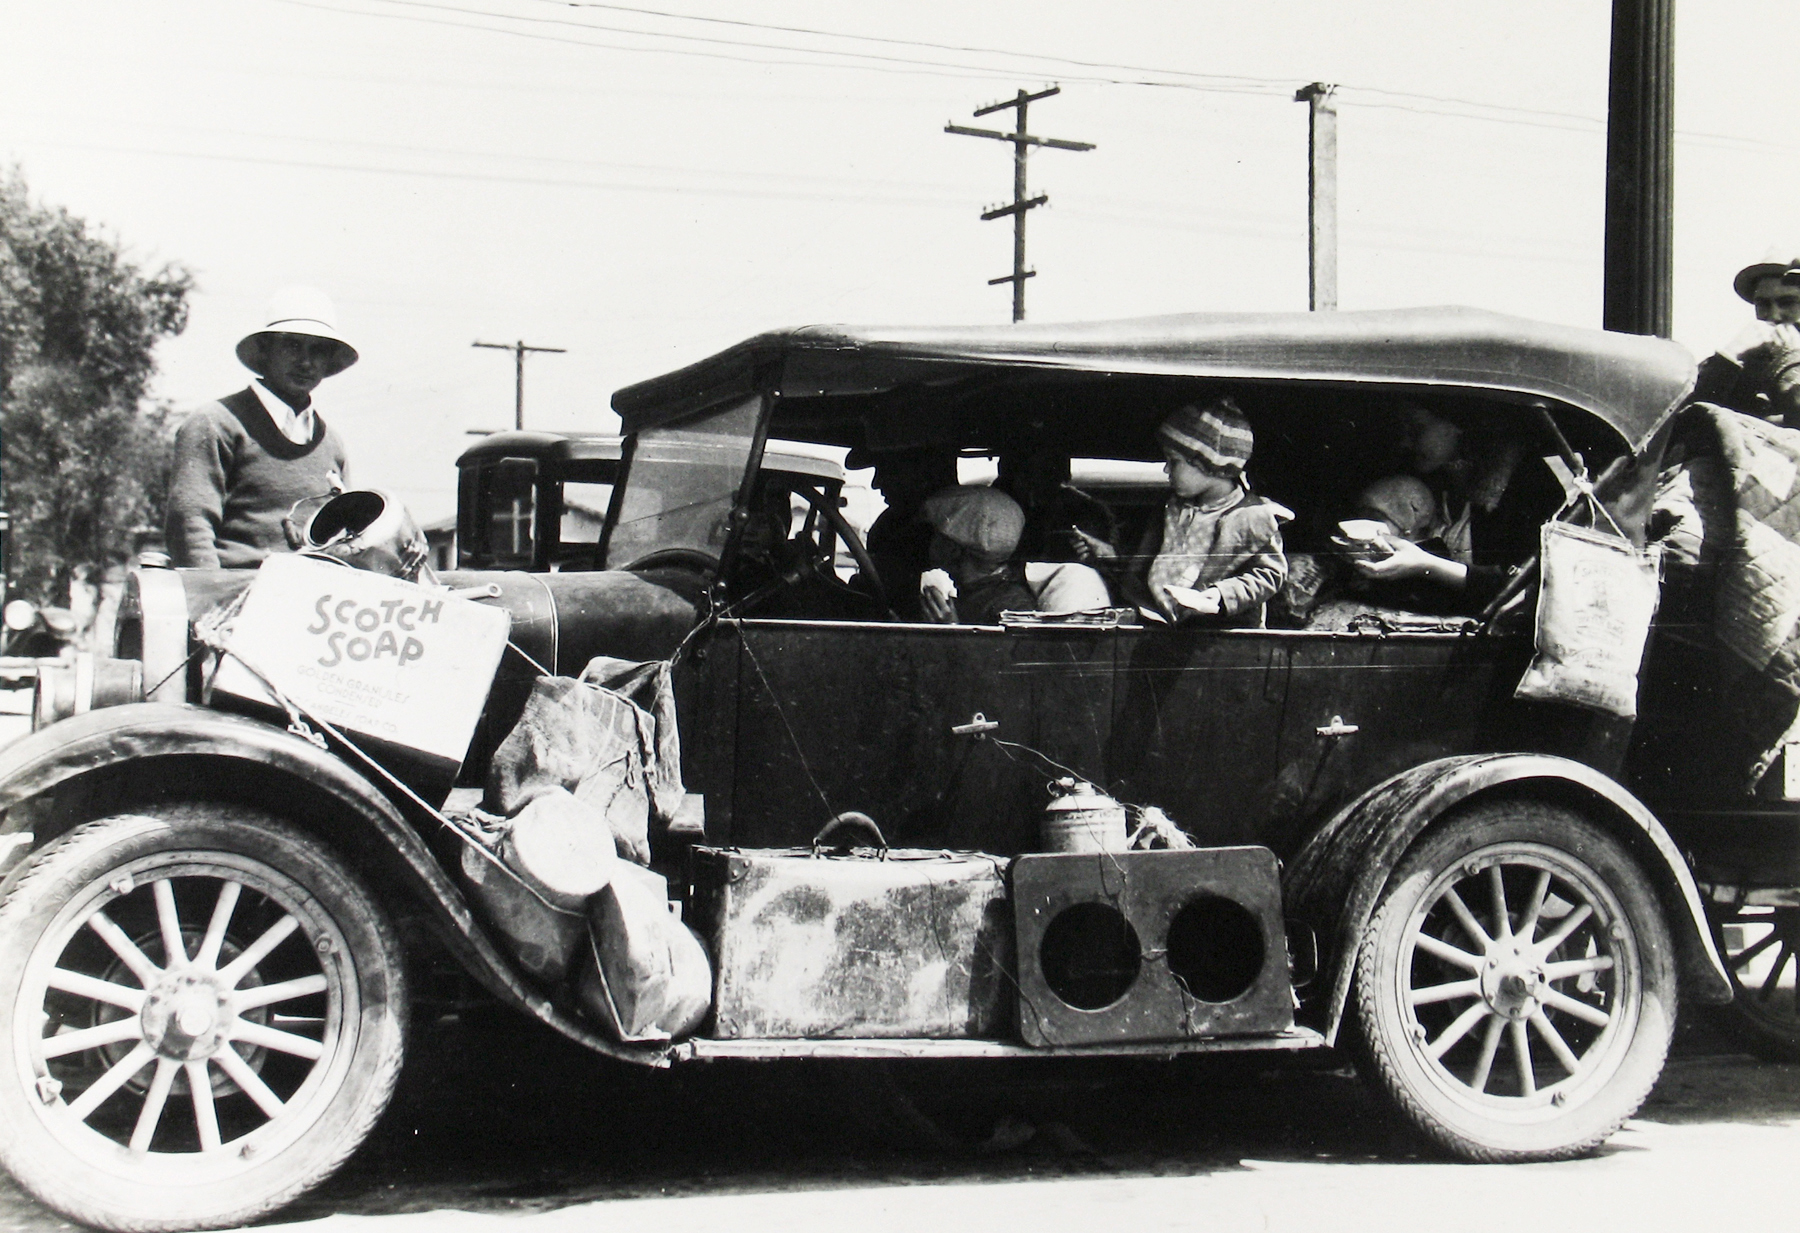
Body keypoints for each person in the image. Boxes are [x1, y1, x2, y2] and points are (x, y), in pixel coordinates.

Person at [165, 286, 357, 568]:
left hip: (314, 598)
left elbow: (344, 538)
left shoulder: (331, 443)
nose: (305, 361)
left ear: (329, 360)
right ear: (266, 351)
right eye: (292, 345)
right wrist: (210, 598)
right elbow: (190, 525)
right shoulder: (216, 422)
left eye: (317, 350)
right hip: (238, 598)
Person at [1078, 398, 1288, 626]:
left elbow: (1268, 575)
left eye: (1174, 461)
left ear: (1210, 465)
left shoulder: (1253, 516)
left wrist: (1220, 595)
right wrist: (1110, 557)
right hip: (1156, 621)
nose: (1166, 469)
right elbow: (1151, 559)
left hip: (1214, 635)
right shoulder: (1171, 507)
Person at [1352, 403, 1548, 613]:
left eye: (1417, 429)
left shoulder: (1527, 484)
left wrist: (1426, 565)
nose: (1406, 443)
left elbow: (1523, 588)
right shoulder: (1422, 480)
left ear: (1459, 423)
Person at [1692, 247, 1800, 422]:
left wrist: (1792, 360)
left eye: (1788, 303)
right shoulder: (1747, 362)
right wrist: (1729, 357)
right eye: (1763, 305)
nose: (1773, 315)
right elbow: (1690, 415)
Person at [849, 446, 957, 618]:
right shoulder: (888, 524)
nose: (875, 483)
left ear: (923, 472)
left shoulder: (953, 531)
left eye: (888, 471)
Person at [917, 485, 1037, 625]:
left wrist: (951, 630)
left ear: (953, 549)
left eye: (937, 537)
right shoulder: (964, 590)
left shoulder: (1013, 607)